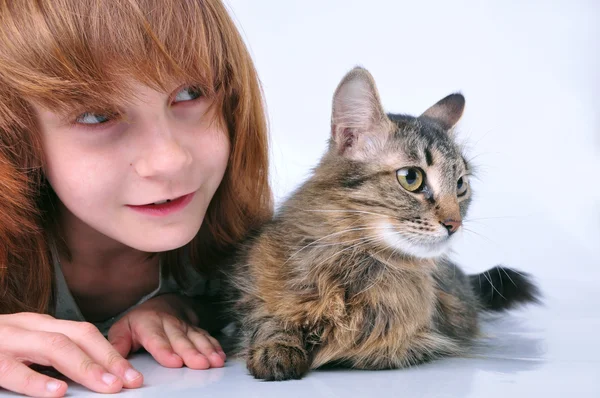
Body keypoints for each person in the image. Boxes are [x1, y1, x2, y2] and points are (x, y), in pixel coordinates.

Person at [0, 0, 273, 396]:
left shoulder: (241, 250)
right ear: (16, 139)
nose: (170, 159)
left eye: (190, 93)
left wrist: (187, 309)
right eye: (96, 116)